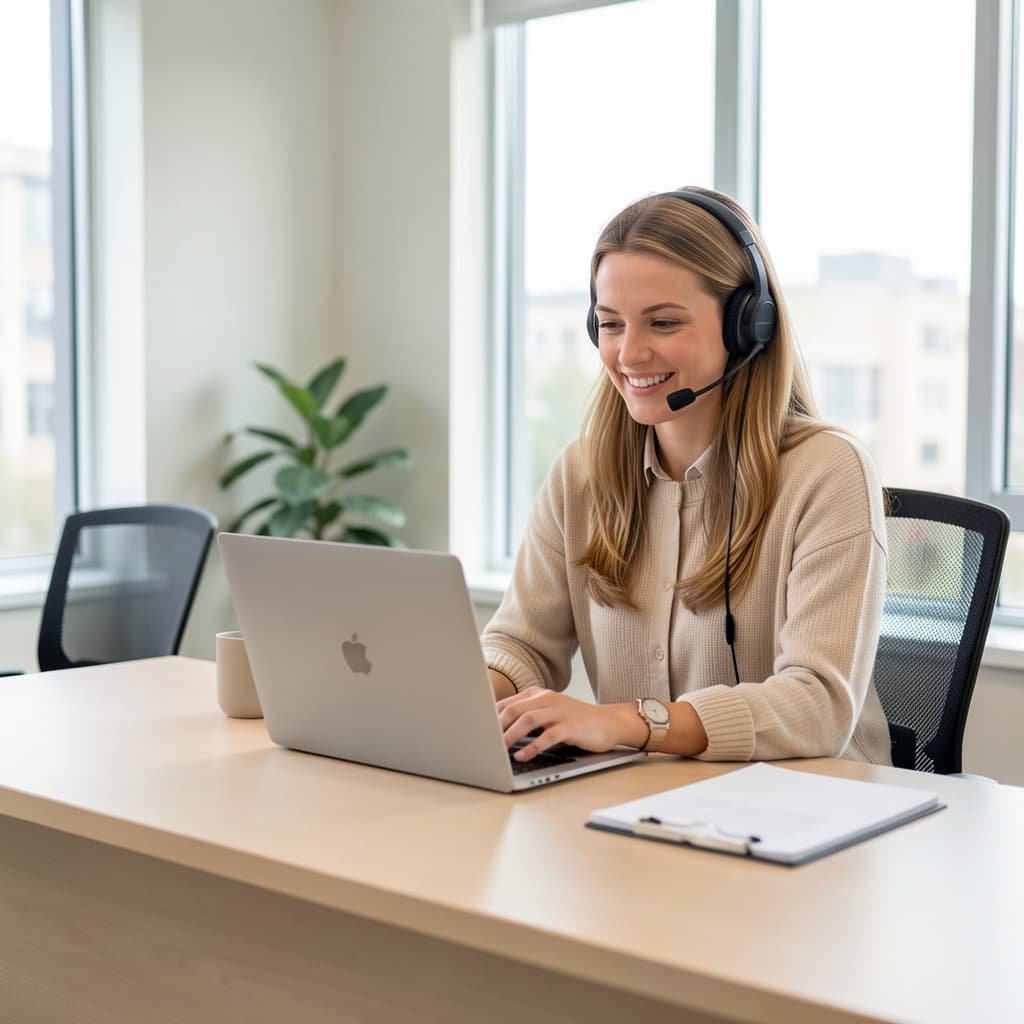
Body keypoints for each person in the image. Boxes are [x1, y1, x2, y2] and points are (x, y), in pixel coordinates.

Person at [482, 186, 891, 766]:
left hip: (814, 813)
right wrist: (462, 695)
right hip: (649, 805)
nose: (628, 353)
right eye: (611, 324)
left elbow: (817, 707)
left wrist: (627, 722)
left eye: (664, 323)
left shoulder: (827, 473)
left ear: (748, 325)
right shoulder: (581, 472)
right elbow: (520, 643)